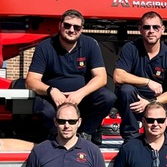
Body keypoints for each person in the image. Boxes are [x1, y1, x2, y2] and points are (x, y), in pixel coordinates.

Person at [25, 9, 116, 144]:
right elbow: (31, 81)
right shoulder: (45, 47)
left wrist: (80, 94)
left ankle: (86, 133)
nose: (71, 30)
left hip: (82, 98)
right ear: (60, 25)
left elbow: (101, 77)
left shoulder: (90, 44)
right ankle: (54, 138)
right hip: (52, 99)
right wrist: (52, 91)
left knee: (108, 97)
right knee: (46, 111)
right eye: (67, 25)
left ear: (81, 29)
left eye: (76, 27)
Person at [113, 11, 167, 139]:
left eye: (155, 27)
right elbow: (118, 76)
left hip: (157, 99)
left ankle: (161, 141)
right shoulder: (130, 48)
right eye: (147, 27)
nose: (151, 31)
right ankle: (131, 137)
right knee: (126, 90)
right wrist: (147, 81)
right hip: (134, 99)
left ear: (162, 30)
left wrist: (150, 103)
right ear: (140, 29)